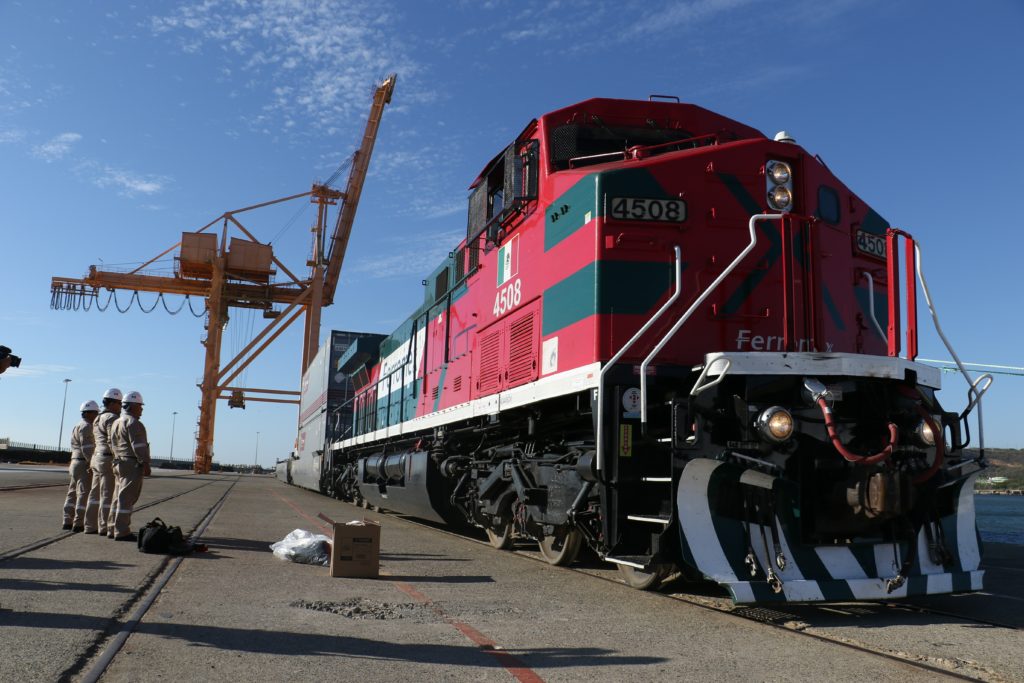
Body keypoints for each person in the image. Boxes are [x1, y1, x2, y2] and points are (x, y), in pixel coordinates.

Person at [109, 390, 151, 541]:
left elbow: (111, 443)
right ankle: (122, 531)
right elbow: (139, 446)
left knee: (117, 497)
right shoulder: (134, 423)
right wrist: (145, 463)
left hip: (118, 462)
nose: (142, 409)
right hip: (131, 463)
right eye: (140, 406)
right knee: (126, 499)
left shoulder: (116, 422)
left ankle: (111, 527)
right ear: (133, 406)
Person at [84, 388, 123, 537]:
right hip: (107, 458)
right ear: (113, 403)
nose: (120, 406)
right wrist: (119, 457)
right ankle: (104, 526)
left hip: (96, 458)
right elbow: (113, 440)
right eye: (119, 403)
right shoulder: (112, 418)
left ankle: (89, 525)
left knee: (94, 494)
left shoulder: (97, 418)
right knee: (107, 494)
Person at [62, 400, 99, 531]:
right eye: (96, 413)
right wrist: (92, 464)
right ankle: (78, 523)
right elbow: (88, 448)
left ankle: (67, 520)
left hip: (74, 462)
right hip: (84, 463)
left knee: (72, 493)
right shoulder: (87, 426)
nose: (97, 416)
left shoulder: (77, 425)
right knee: (83, 493)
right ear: (89, 413)